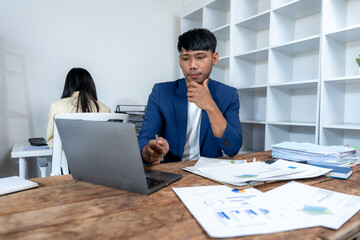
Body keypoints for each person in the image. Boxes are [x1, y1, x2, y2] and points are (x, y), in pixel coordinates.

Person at [138, 28, 242, 166]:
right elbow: (145, 139)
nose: (192, 66)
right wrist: (149, 151)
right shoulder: (161, 92)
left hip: (208, 172)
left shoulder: (229, 95)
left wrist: (210, 106)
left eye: (200, 57)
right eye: (186, 58)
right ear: (180, 60)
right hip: (170, 171)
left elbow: (232, 148)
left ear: (214, 58)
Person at [46, 67, 111, 148]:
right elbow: (108, 140)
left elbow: (51, 140)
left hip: (66, 159)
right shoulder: (105, 108)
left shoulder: (56, 106)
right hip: (97, 159)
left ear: (68, 85)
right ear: (90, 85)